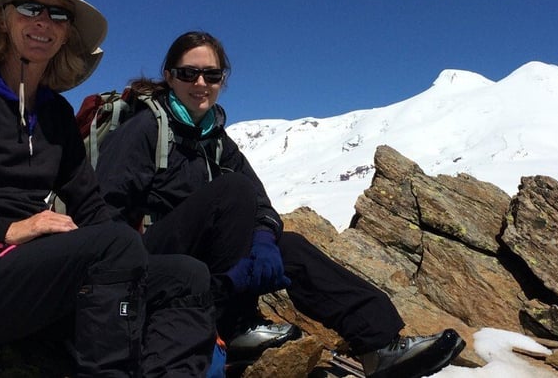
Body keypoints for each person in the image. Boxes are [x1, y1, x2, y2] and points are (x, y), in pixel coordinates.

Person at [0, 0, 216, 377]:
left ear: (66, 34)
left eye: (58, 15)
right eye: (29, 8)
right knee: (115, 246)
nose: (43, 21)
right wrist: (4, 229)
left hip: (30, 280)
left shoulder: (56, 113)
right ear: (3, 19)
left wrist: (134, 268)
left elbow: (92, 206)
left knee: (187, 276)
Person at [94, 30, 465, 378]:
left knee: (291, 247)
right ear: (170, 76)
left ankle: (380, 344)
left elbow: (262, 205)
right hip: (148, 262)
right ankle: (236, 324)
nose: (201, 84)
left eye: (212, 74)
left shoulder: (219, 143)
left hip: (202, 262)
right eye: (189, 73)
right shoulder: (145, 129)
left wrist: (264, 239)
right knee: (233, 191)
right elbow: (101, 209)